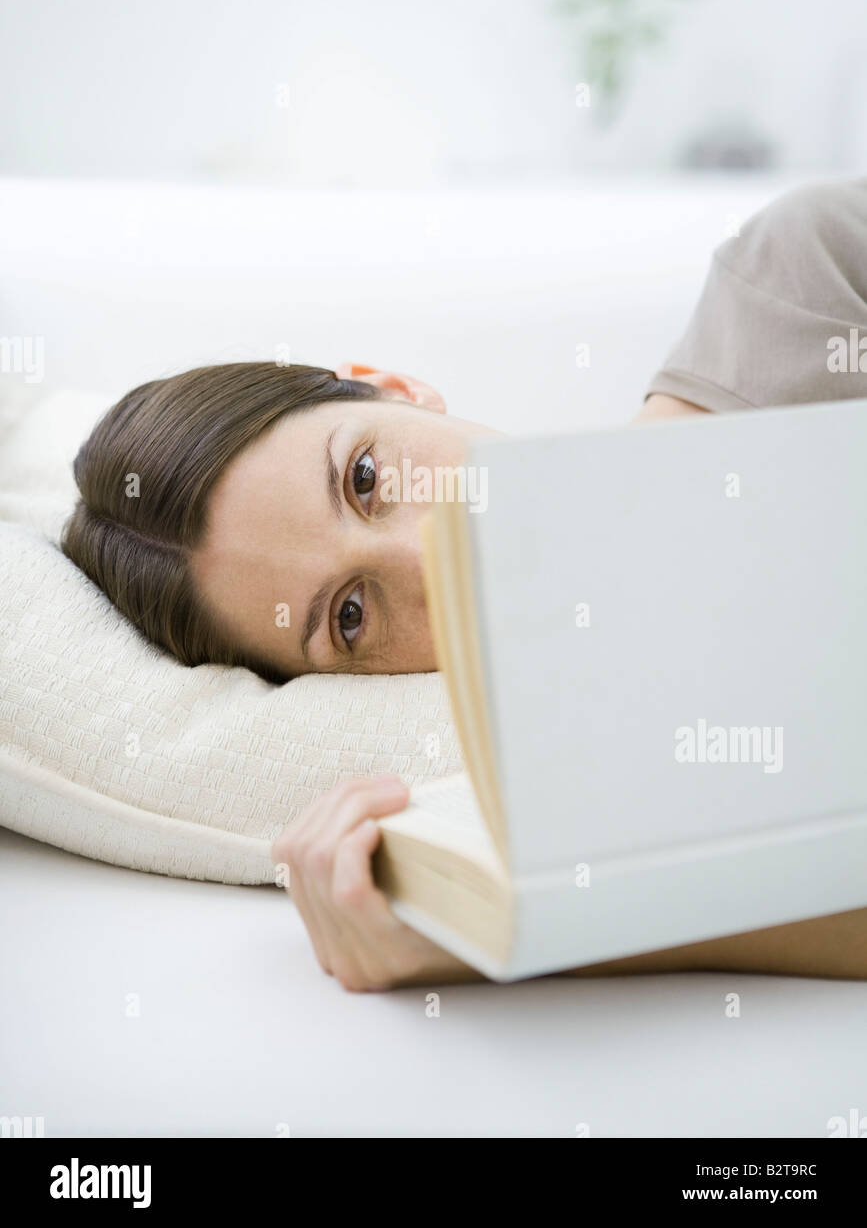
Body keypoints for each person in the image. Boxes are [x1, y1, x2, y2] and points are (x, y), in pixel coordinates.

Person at [63, 178, 867, 989]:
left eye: (366, 476)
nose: (430, 552)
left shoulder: (810, 274)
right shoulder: (658, 772)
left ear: (398, 387)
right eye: (348, 616)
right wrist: (484, 932)